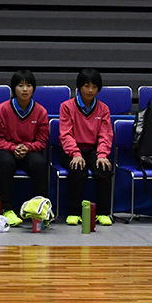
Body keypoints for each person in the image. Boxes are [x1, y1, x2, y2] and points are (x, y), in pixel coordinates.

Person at [0, 69, 50, 227]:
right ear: (13, 88)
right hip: (6, 150)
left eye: (28, 85)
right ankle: (7, 209)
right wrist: (12, 147)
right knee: (5, 163)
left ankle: (40, 210)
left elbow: (42, 140)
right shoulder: (2, 109)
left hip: (29, 150)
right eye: (20, 85)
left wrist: (28, 148)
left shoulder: (41, 112)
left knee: (39, 164)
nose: (24, 89)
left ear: (33, 89)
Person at [57, 68, 113, 227]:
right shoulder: (67, 106)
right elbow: (65, 134)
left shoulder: (103, 109)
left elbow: (105, 135)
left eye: (94, 87)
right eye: (86, 86)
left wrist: (102, 154)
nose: (90, 90)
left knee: (103, 169)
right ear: (79, 87)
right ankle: (73, 212)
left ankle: (103, 212)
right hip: (71, 150)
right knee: (77, 170)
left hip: (94, 149)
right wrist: (75, 153)